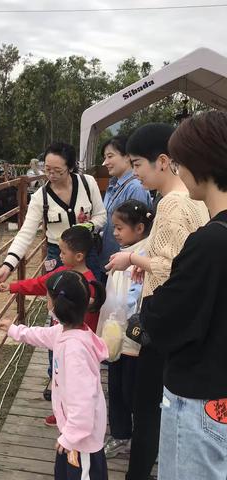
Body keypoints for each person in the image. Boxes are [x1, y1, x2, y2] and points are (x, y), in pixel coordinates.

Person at [105, 123, 210, 480]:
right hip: (187, 324)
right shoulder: (195, 203)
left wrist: (134, 260)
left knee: (145, 408)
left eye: (137, 164)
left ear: (162, 161)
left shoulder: (170, 205)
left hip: (161, 322)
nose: (135, 173)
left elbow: (169, 268)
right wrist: (146, 264)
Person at [139, 111, 227, 480]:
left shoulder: (211, 242)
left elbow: (162, 319)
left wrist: (149, 306)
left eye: (179, 161)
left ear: (199, 162)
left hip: (199, 399)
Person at [0, 270, 108, 480]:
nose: (47, 303)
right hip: (71, 433)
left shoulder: (75, 352)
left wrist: (70, 437)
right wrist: (14, 330)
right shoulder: (65, 332)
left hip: (82, 442)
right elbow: (39, 335)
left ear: (58, 305)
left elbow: (83, 402)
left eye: (47, 298)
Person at [0, 141, 106, 283]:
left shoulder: (88, 183)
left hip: (86, 254)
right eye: (47, 169)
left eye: (58, 171)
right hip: (58, 256)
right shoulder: (40, 197)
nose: (51, 175)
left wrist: (87, 226)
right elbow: (25, 233)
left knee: (91, 297)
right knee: (59, 298)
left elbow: (101, 216)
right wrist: (8, 265)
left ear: (70, 167)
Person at [99, 199, 153, 459]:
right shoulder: (123, 254)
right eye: (114, 228)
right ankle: (120, 435)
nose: (115, 233)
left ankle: (143, 440)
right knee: (117, 388)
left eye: (120, 228)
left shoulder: (145, 255)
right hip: (114, 335)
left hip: (134, 340)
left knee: (133, 392)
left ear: (140, 228)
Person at [99, 136, 152, 284]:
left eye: (110, 156)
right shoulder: (114, 185)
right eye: (104, 157)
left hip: (127, 268)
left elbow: (138, 232)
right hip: (112, 259)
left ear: (127, 156)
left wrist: (132, 260)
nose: (106, 162)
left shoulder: (135, 187)